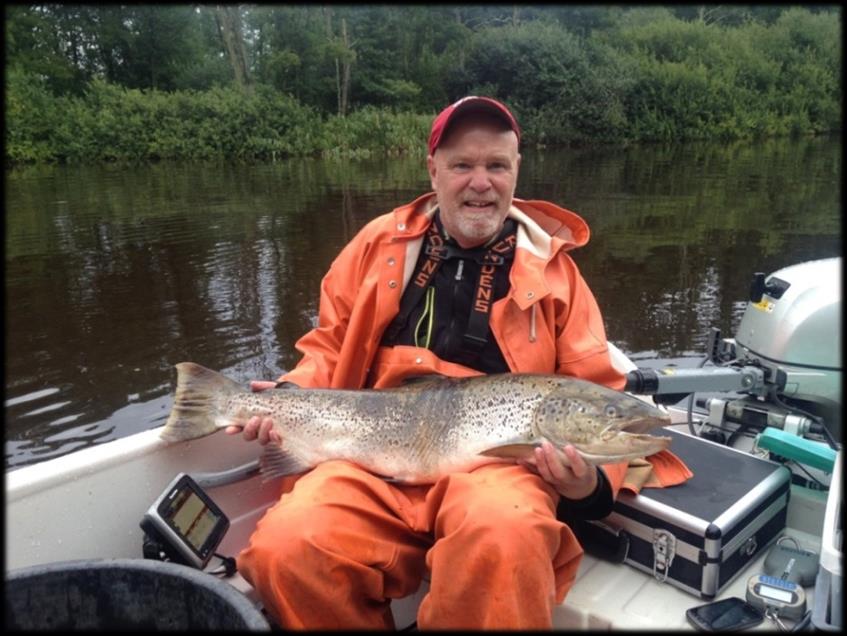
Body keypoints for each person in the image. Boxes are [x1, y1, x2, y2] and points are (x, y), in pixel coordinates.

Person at [226, 96, 630, 629]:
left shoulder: (557, 276)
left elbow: (597, 392)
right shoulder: (376, 244)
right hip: (372, 451)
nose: (480, 183)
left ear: (516, 173)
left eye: (496, 166)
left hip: (498, 468)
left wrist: (588, 484)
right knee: (287, 546)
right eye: (463, 165)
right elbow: (327, 346)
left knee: (504, 538)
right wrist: (288, 391)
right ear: (433, 170)